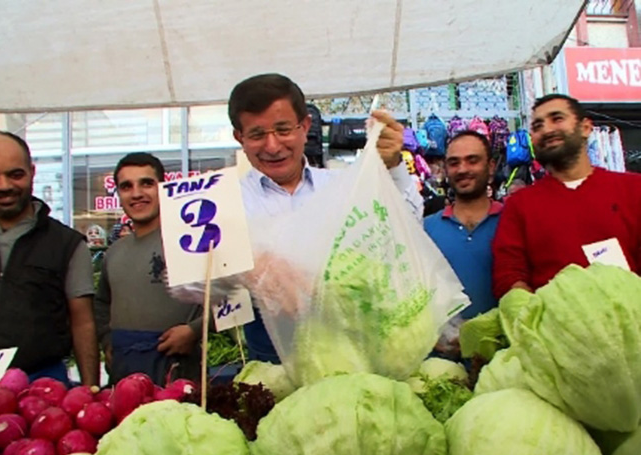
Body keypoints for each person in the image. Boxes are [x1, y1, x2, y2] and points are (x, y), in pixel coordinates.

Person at [228, 73, 424, 363]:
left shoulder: (344, 185)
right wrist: (245, 265)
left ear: (305, 126)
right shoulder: (225, 203)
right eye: (257, 135)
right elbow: (188, 281)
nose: (272, 146)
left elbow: (406, 228)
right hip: (269, 364)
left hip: (352, 355)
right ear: (239, 138)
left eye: (283, 130)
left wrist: (393, 166)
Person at [0, 131, 99, 392]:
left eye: (15, 174)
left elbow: (82, 322)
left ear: (32, 171)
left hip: (39, 385)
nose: (3, 186)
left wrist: (90, 390)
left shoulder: (67, 244)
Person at [492, 94, 641, 298]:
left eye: (557, 118)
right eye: (537, 126)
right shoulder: (520, 206)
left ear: (586, 128)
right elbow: (509, 273)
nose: (547, 129)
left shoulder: (633, 189)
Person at [94, 152, 204, 385]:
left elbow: (235, 297)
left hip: (178, 372)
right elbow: (101, 303)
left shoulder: (191, 242)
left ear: (163, 187)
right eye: (126, 186)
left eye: (146, 183)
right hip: (124, 372)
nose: (136, 193)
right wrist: (106, 341)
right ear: (119, 195)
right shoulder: (114, 252)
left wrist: (194, 330)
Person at [424, 131, 502, 358]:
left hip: (502, 363)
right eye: (454, 163)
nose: (462, 169)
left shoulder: (512, 224)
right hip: (441, 369)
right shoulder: (425, 229)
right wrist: (433, 334)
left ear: (491, 167)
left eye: (472, 160)